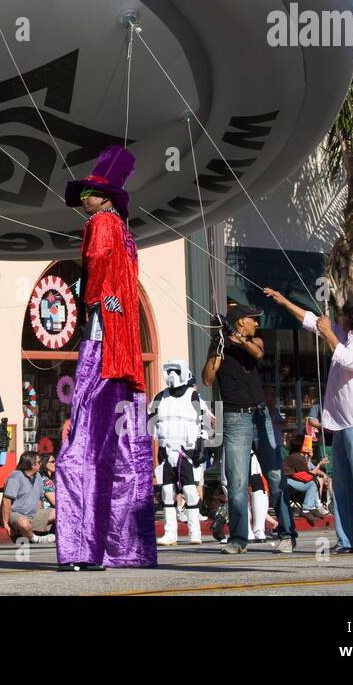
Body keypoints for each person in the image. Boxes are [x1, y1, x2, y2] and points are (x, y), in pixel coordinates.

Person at [56, 146, 156, 572]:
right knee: (124, 447)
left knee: (85, 446)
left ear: (106, 197)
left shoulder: (101, 224)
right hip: (124, 352)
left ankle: (82, 546)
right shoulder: (125, 232)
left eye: (90, 194)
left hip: (103, 346)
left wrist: (94, 302)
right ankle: (124, 548)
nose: (84, 201)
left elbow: (97, 264)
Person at [265, 289, 353, 554]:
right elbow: (313, 321)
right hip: (341, 422)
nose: (337, 317)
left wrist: (328, 333)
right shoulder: (347, 336)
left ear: (352, 317)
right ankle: (349, 540)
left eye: (341, 314)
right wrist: (284, 302)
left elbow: (348, 361)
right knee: (344, 485)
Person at [203, 301, 295, 555]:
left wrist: (238, 338)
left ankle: (287, 533)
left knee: (275, 476)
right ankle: (239, 539)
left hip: (259, 415)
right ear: (242, 320)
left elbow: (258, 354)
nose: (257, 322)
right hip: (234, 417)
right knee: (237, 481)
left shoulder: (255, 342)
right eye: (254, 318)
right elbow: (208, 378)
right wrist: (219, 349)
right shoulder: (220, 344)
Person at [149, 359, 212, 545]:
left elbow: (207, 422)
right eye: (169, 371)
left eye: (176, 371)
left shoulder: (194, 397)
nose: (172, 375)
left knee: (190, 491)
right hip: (167, 450)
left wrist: (202, 446)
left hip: (188, 451)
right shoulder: (160, 397)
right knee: (167, 492)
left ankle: (195, 532)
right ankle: (170, 533)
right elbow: (149, 422)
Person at [1, 451, 55, 544]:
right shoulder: (15, 477)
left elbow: (40, 498)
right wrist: (5, 523)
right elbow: (7, 501)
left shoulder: (37, 476)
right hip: (16, 514)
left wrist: (39, 513)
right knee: (24, 523)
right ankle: (35, 539)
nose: (41, 464)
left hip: (33, 514)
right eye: (39, 462)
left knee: (61, 513)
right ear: (32, 465)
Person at [281, 432, 329, 523]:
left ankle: (313, 507)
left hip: (292, 481)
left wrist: (309, 457)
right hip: (287, 482)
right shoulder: (296, 457)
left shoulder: (298, 457)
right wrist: (320, 464)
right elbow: (310, 474)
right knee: (313, 482)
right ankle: (307, 509)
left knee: (313, 481)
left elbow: (307, 471)